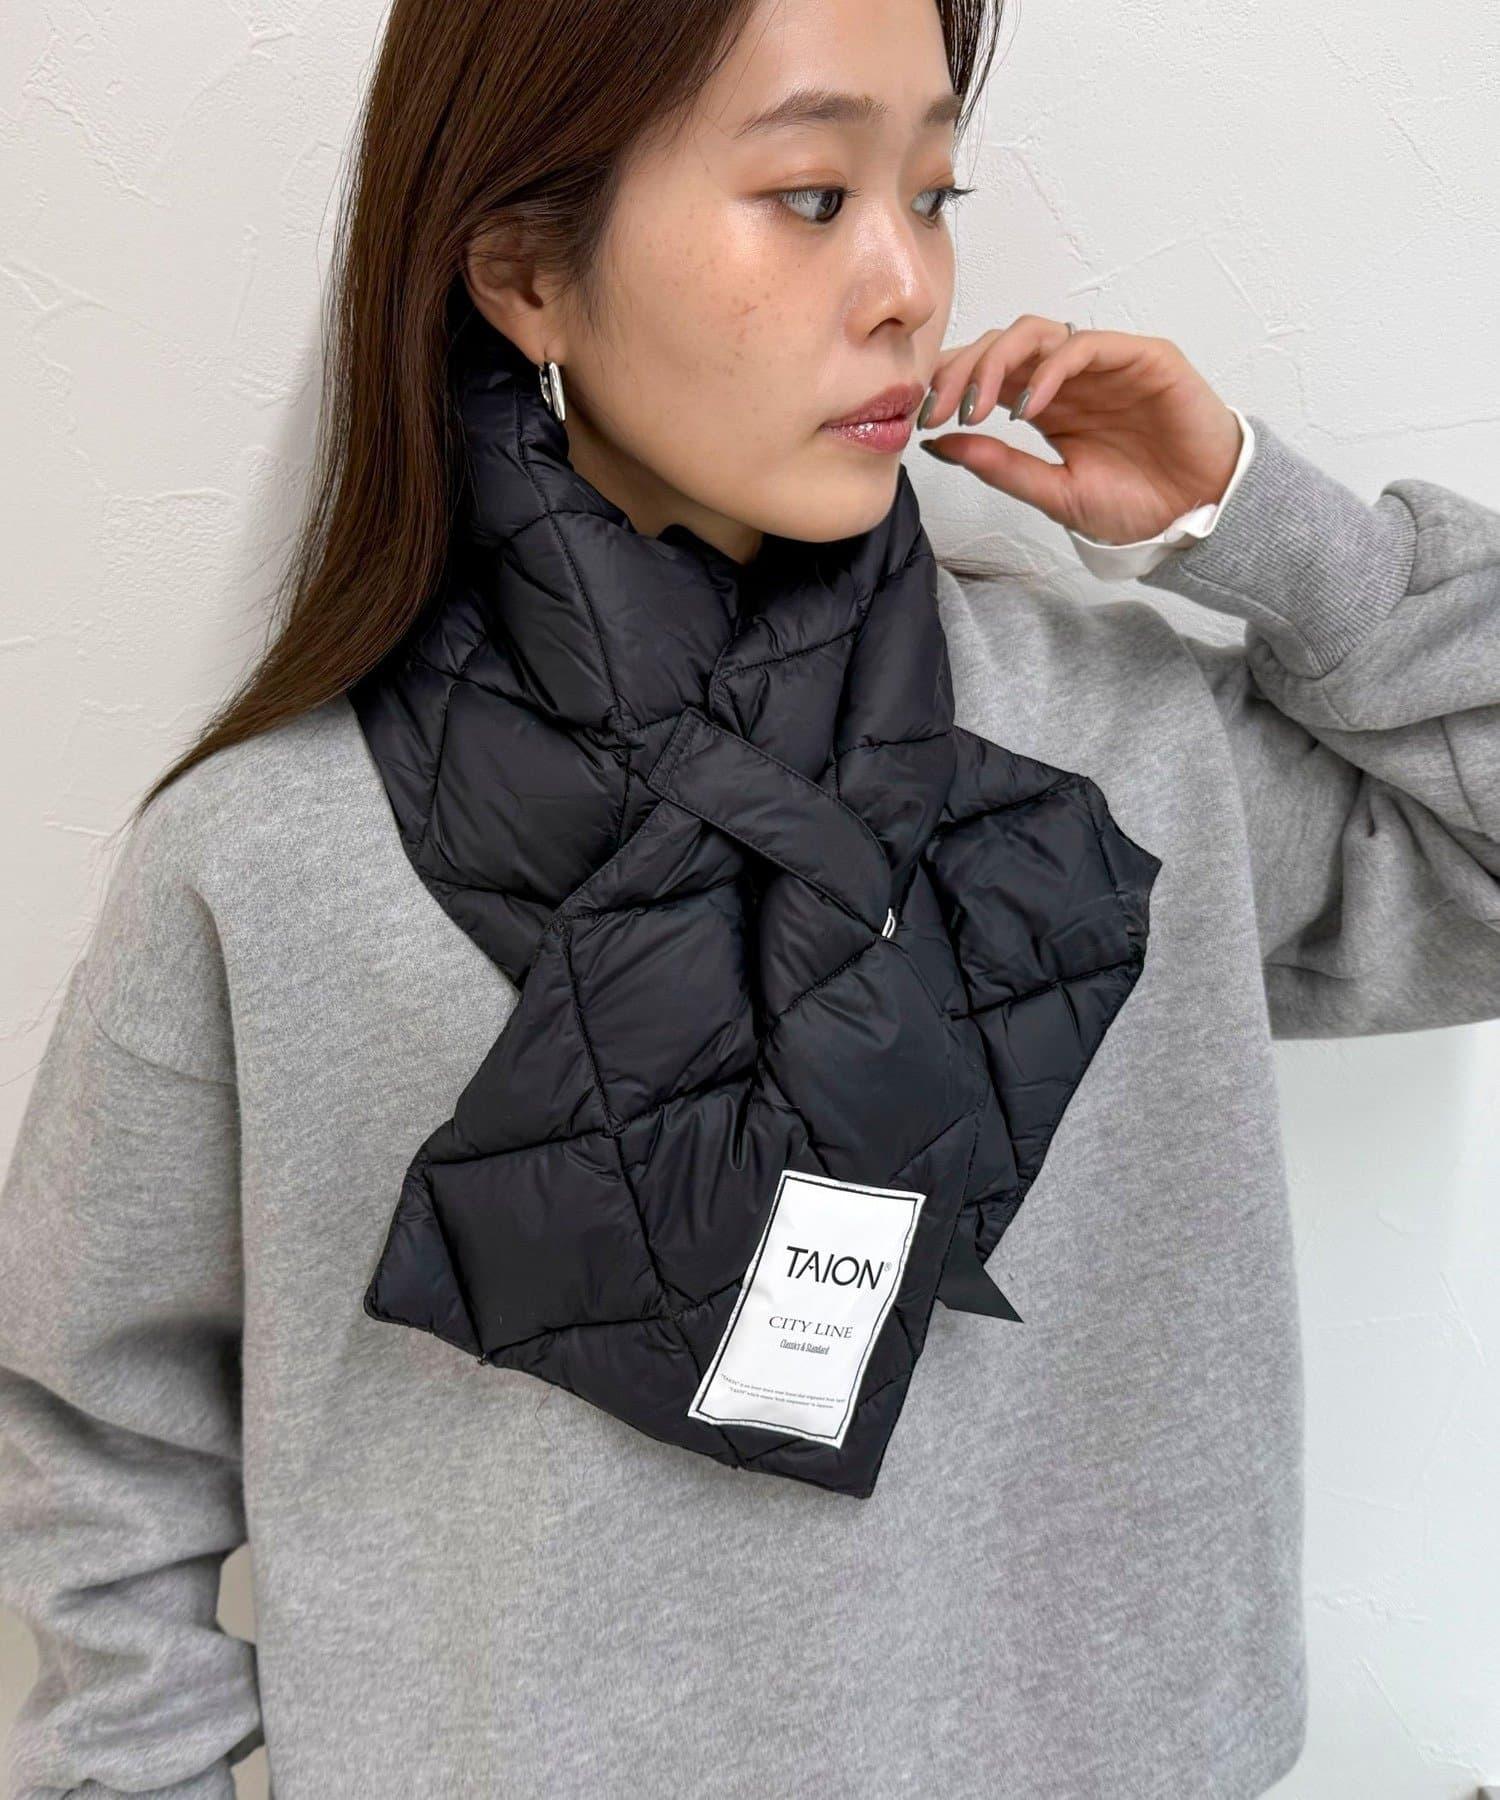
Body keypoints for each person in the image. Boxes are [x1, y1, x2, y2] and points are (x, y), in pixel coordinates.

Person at [2, 0, 1497, 1793]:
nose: (906, 286)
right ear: (525, 273)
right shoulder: (273, 852)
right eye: (808, 195)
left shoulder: (1111, 743)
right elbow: (92, 1443)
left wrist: (1255, 521)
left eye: (932, 192)